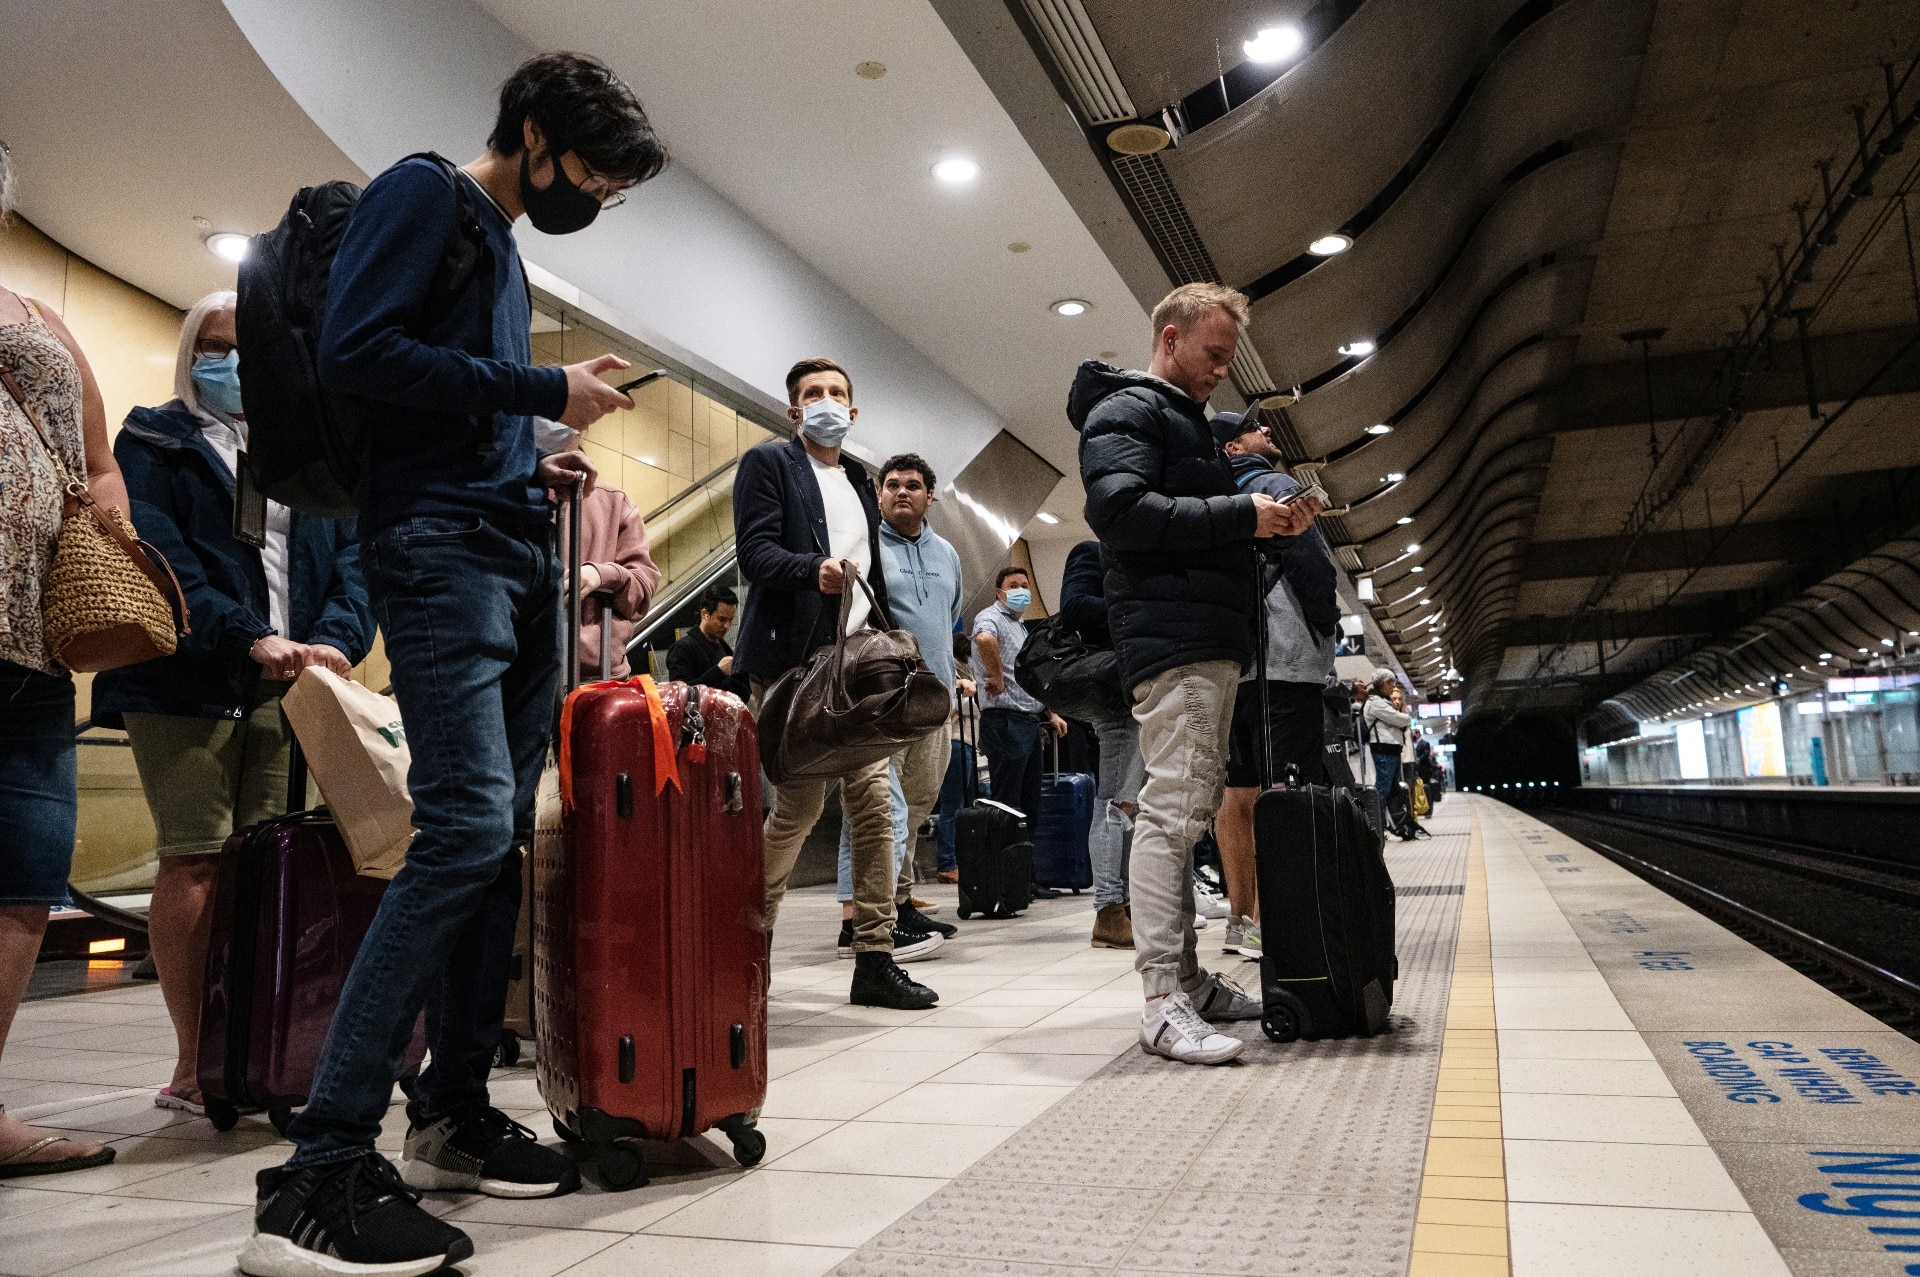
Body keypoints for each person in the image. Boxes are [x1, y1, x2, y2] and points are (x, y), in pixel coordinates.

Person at [243, 53, 667, 1277]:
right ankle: (318, 1170)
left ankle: (452, 1109)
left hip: (504, 545)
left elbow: (434, 395)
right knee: (466, 831)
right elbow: (358, 353)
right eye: (587, 169)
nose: (593, 192)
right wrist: (544, 388)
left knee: (499, 847)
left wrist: (523, 452)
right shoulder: (424, 193)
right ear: (531, 134)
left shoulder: (496, 232)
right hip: (437, 557)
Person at [91, 293, 374, 1118]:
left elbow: (356, 555)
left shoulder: (304, 449)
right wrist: (245, 634)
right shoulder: (154, 437)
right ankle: (196, 1060)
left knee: (275, 867)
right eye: (213, 346)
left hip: (296, 684)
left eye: (245, 347)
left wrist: (336, 638)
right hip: (186, 676)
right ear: (190, 353)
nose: (231, 361)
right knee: (196, 860)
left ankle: (264, 1048)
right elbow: (160, 551)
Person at [1072, 282, 1313, 1066]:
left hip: (1202, 633)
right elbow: (1120, 512)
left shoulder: (1190, 427)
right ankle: (1160, 1000)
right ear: (1170, 338)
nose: (1220, 372)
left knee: (1182, 809)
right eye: (1212, 355)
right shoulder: (1127, 411)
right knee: (1172, 814)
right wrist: (1243, 515)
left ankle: (1187, 978)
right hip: (1172, 641)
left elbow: (1193, 532)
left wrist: (1269, 528)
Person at [734, 357, 939, 1011]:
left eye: (837, 393)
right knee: (797, 809)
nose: (825, 401)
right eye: (812, 394)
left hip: (855, 675)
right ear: (795, 410)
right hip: (795, 671)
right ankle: (744, 948)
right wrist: (812, 569)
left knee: (876, 809)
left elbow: (869, 575)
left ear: (853, 412)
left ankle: (874, 957)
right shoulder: (769, 466)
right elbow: (755, 553)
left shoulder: (859, 478)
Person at [0, 140, 126, 1180]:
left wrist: (113, 534)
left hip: (33, 643)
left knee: (26, 874)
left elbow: (98, 456)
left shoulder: (42, 322)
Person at [1208, 411, 1333, 963]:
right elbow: (1313, 565)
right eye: (1257, 430)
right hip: (1283, 658)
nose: (1269, 435)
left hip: (1230, 661)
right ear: (1235, 448)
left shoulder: (1206, 500)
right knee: (1281, 788)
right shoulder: (1273, 485)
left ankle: (1240, 920)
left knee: (1235, 792)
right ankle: (1270, 922)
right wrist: (1325, 620)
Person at [830, 453, 968, 950]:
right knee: (874, 807)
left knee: (916, 805)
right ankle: (857, 916)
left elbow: (949, 619)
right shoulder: (864, 547)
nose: (902, 492)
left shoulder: (948, 554)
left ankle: (899, 903)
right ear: (879, 493)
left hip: (934, 703)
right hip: (880, 701)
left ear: (930, 496)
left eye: (913, 485)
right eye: (892, 485)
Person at [1057, 538, 1143, 948]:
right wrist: (1137, 604)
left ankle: (1121, 905)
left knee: (1130, 803)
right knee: (1116, 801)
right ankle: (1108, 909)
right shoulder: (1091, 552)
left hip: (1140, 688)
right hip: (1112, 693)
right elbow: (1074, 608)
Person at [969, 567, 1067, 838]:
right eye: (1014, 585)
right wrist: (995, 675)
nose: (1022, 590)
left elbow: (1027, 676)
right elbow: (984, 638)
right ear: (1000, 593)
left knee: (1029, 804)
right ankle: (1004, 876)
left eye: (1025, 585)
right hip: (1005, 721)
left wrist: (1050, 712)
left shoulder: (1019, 627)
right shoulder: (991, 616)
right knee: (1008, 805)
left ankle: (1024, 876)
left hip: (1028, 722)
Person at [565, 481, 658, 680]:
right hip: (520, 671)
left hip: (598, 676)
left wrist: (604, 575)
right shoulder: (511, 493)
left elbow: (643, 587)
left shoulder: (613, 500)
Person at [666, 584, 747, 696]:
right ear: (705, 614)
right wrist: (719, 671)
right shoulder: (682, 649)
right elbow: (680, 695)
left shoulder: (723, 646)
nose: (727, 626)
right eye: (722, 619)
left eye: (731, 619)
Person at [1365, 672, 1416, 839]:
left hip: (1391, 751)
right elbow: (1398, 718)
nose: (1392, 686)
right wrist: (1406, 718)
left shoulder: (1382, 701)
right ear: (1384, 683)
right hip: (1383, 752)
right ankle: (1377, 828)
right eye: (1391, 683)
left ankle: (1399, 825)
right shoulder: (1375, 702)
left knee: (1394, 791)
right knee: (1382, 791)